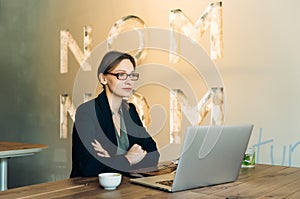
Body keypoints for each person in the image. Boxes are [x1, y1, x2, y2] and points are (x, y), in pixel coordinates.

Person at [70, 51, 160, 178]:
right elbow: (88, 167)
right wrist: (128, 159)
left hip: (124, 188)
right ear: (103, 78)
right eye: (121, 75)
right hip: (88, 191)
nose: (129, 81)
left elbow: (153, 154)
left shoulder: (130, 111)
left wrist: (111, 159)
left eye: (131, 75)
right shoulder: (87, 112)